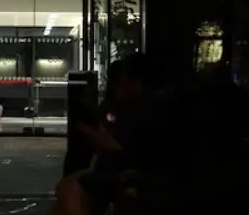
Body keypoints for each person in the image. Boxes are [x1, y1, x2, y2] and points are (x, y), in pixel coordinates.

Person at [51, 53, 182, 215]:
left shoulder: (143, 108)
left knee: (70, 189)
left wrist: (92, 133)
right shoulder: (162, 105)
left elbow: (120, 148)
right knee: (67, 188)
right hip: (142, 173)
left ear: (136, 81)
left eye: (124, 80)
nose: (121, 86)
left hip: (136, 174)